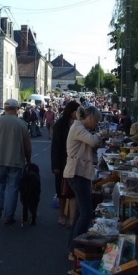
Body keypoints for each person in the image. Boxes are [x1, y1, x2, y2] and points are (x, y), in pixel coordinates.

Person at [65, 105, 106, 253]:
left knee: (80, 213)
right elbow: (93, 141)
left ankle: (72, 246)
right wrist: (103, 133)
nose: (96, 125)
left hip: (79, 173)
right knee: (86, 213)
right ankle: (75, 248)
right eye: (96, 121)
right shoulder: (78, 128)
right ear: (90, 118)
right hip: (77, 173)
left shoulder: (80, 128)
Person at [0, 98, 32, 225]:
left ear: (5, 109)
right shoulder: (21, 124)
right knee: (13, 187)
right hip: (16, 160)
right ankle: (9, 216)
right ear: (16, 109)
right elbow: (27, 145)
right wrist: (28, 160)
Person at [50, 100, 79, 227]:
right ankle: (61, 215)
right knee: (61, 190)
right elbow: (55, 146)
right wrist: (55, 165)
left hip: (73, 162)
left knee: (71, 190)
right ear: (71, 111)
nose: (78, 114)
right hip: (62, 162)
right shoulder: (61, 124)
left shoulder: (77, 124)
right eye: (76, 112)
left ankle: (71, 216)